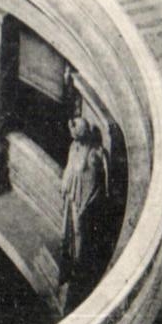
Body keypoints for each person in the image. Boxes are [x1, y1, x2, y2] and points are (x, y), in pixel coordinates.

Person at [60, 116, 109, 307]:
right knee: (71, 232)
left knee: (80, 233)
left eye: (76, 133)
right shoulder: (74, 147)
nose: (74, 137)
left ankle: (78, 267)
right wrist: (64, 185)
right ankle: (71, 262)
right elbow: (69, 168)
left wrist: (86, 205)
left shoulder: (93, 155)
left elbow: (96, 185)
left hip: (84, 202)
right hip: (72, 197)